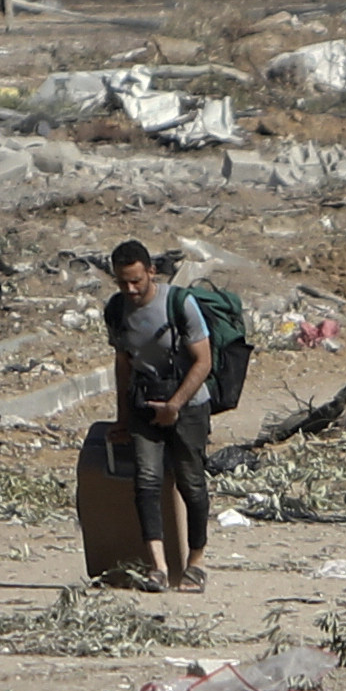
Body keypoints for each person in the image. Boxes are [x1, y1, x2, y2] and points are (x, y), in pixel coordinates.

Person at [104, 240, 212, 594]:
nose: (131, 290)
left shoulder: (181, 304)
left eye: (136, 280)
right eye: (123, 283)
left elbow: (203, 362)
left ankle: (196, 562)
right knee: (146, 482)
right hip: (143, 404)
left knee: (191, 482)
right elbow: (123, 364)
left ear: (151, 271)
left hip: (189, 406)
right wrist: (122, 416)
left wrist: (175, 406)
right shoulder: (117, 310)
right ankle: (158, 567)